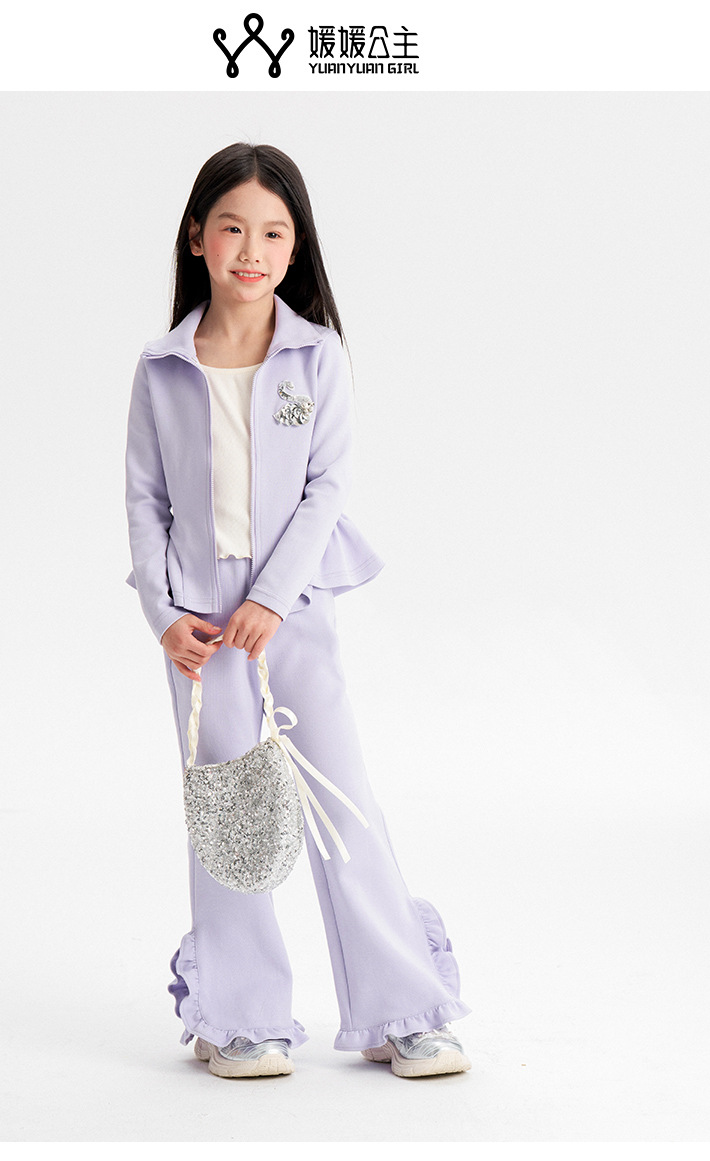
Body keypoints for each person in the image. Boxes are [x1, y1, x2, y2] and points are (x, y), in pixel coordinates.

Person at [124, 142, 472, 1080]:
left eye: (275, 233)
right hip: (200, 632)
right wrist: (164, 615)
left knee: (342, 802)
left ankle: (404, 1010)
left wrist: (273, 601)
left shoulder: (316, 356)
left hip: (295, 613)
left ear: (296, 246)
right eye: (233, 228)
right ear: (197, 238)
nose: (253, 250)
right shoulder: (161, 367)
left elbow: (327, 490)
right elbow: (144, 502)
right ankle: (240, 1018)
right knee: (229, 815)